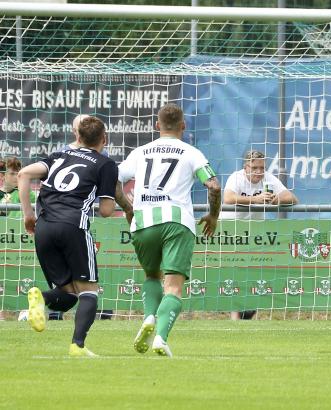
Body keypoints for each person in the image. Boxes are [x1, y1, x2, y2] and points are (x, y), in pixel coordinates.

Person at [115, 103, 221, 357]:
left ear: (157, 125)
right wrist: (213, 215)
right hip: (177, 221)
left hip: (143, 221)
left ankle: (150, 316)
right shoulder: (191, 152)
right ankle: (161, 338)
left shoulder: (139, 152)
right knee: (173, 287)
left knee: (152, 276)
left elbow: (113, 179)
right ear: (183, 126)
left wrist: (128, 207)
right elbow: (214, 186)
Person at [18, 116, 118, 357]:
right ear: (104, 139)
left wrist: (28, 214)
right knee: (89, 291)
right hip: (73, 226)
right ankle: (77, 346)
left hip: (43, 227)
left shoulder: (58, 157)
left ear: (78, 137)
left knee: (70, 294)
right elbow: (106, 211)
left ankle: (40, 298)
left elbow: (23, 174)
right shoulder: (105, 164)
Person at [222, 149, 297, 319]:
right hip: (230, 232)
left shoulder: (268, 179)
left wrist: (274, 200)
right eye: (254, 167)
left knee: (254, 275)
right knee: (236, 274)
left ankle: (247, 313)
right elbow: (228, 198)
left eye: (262, 167)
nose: (258, 172)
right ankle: (235, 319)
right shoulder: (236, 177)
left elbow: (292, 198)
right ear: (245, 167)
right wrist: (255, 200)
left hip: (254, 234)